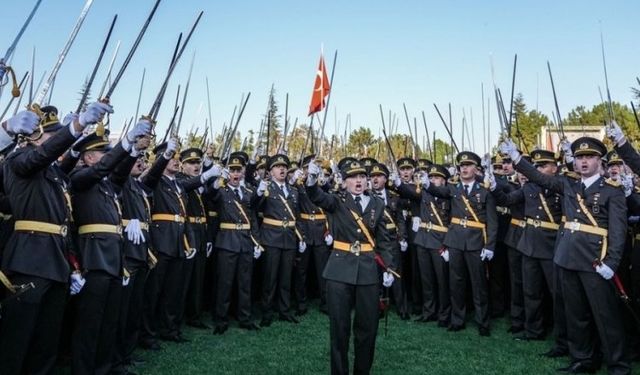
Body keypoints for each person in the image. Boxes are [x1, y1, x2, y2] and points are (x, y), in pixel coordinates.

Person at [500, 137, 630, 374]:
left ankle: (618, 364)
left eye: (589, 157)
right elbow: (539, 177)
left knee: (605, 315)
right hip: (567, 257)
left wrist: (611, 262)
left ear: (599, 161)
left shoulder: (612, 191)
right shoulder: (568, 184)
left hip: (595, 261)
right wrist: (517, 158)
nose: (583, 162)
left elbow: (619, 232)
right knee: (575, 313)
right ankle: (583, 358)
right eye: (580, 157)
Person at [0, 103, 111, 374]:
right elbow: (42, 155)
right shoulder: (20, 160)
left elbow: (65, 223)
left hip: (57, 263)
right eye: (54, 136)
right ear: (34, 138)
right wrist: (76, 127)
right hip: (30, 261)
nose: (59, 142)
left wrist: (72, 267)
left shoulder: (56, 176)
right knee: (17, 341)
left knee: (46, 343)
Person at [69, 120, 151, 374]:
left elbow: (119, 171)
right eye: (104, 153)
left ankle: (105, 367)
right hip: (93, 258)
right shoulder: (80, 177)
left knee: (108, 320)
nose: (107, 158)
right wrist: (125, 144)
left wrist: (134, 151)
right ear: (89, 157)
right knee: (90, 323)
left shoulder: (106, 185)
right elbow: (102, 170)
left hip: (113, 258)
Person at [305, 158, 395, 375]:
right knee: (339, 329)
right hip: (339, 270)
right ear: (344, 182)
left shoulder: (377, 204)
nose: (359, 180)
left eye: (362, 177)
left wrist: (388, 268)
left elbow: (383, 240)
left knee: (367, 329)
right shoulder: (336, 201)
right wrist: (311, 179)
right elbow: (316, 195)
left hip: (368, 272)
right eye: (353, 177)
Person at [420, 151, 498, 336]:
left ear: (476, 169)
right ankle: (457, 319)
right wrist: (426, 183)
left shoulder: (484, 191)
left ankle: (482, 321)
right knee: (456, 283)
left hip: (476, 241)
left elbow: (492, 222)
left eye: (468, 165)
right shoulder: (453, 189)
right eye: (462, 166)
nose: (464, 168)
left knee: (478, 284)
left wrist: (490, 246)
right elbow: (437, 190)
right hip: (455, 241)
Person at [208, 153, 262, 333]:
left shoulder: (248, 192)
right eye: (232, 170)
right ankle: (221, 319)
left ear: (243, 171)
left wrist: (256, 242)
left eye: (239, 170)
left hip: (245, 241)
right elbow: (211, 195)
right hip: (227, 241)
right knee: (225, 282)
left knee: (245, 283)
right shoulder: (221, 190)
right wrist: (216, 181)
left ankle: (245, 318)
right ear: (227, 172)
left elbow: (253, 218)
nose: (236, 173)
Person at [394, 163, 451, 327]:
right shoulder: (424, 193)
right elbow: (409, 192)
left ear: (444, 181)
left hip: (440, 240)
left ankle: (444, 313)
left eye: (437, 178)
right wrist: (398, 183)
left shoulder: (448, 195)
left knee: (442, 280)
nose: (433, 180)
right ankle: (428, 311)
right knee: (426, 279)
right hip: (423, 239)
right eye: (431, 177)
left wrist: (447, 244)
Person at [252, 154, 306, 326]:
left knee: (285, 277)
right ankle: (267, 312)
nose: (282, 169)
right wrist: (259, 193)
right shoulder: (266, 188)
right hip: (271, 237)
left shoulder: (293, 191)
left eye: (284, 166)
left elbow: (297, 216)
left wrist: (301, 236)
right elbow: (253, 207)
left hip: (289, 238)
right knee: (270, 278)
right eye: (277, 167)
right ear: (270, 172)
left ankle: (284, 310)